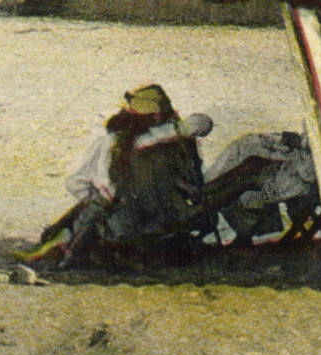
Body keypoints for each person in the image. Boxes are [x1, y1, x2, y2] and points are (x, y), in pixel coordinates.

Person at [54, 85, 211, 268]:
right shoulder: (123, 142)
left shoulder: (137, 140)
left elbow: (76, 183)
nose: (159, 119)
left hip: (131, 220)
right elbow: (199, 123)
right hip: (125, 224)